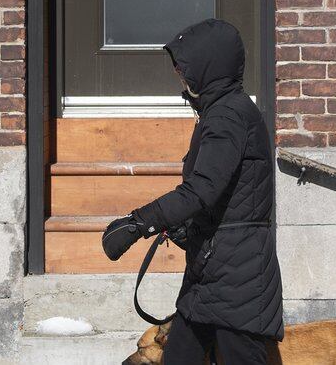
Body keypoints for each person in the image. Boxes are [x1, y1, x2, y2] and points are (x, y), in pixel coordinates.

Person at [102, 19, 283, 364]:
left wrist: (139, 223)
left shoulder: (228, 116)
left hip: (237, 279)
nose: (179, 76)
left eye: (184, 68)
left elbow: (202, 188)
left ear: (208, 67)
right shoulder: (219, 113)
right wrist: (190, 226)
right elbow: (224, 192)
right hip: (212, 273)